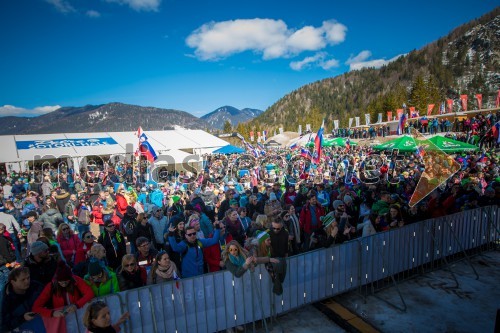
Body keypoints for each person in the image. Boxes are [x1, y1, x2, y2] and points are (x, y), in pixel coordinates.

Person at [1, 267, 43, 332]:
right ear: (13, 282)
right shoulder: (5, 301)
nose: (27, 281)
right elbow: (3, 327)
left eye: (28, 278)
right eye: (23, 280)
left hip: (41, 321)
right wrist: (22, 318)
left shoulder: (36, 286)